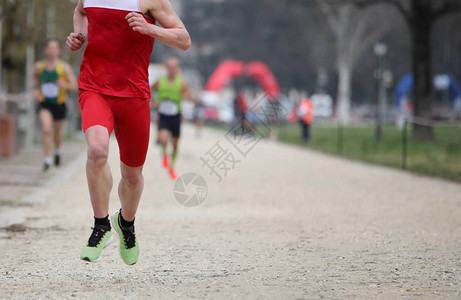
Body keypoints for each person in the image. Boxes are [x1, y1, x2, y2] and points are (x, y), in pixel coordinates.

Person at [66, 0, 190, 265]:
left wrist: (150, 29)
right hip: (94, 87)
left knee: (132, 177)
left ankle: (126, 223)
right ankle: (100, 226)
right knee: (97, 150)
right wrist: (80, 35)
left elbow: (183, 39)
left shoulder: (151, 1)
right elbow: (80, 11)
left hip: (134, 94)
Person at [32, 39, 78, 172]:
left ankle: (57, 151)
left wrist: (62, 84)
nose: (51, 50)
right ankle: (47, 161)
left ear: (58, 51)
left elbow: (74, 86)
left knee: (57, 135)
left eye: (54, 48)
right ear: (46, 50)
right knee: (46, 130)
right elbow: (34, 77)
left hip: (59, 104)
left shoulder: (64, 67)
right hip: (44, 104)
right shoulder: (39, 66)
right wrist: (35, 89)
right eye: (49, 48)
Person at [151, 57, 194, 180]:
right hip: (163, 115)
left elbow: (190, 96)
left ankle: (172, 167)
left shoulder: (182, 83)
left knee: (175, 145)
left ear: (177, 68)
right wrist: (154, 102)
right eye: (169, 66)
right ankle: (165, 155)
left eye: (174, 67)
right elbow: (149, 91)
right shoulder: (160, 82)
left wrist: (188, 98)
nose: (171, 69)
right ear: (166, 67)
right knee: (163, 140)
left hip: (176, 116)